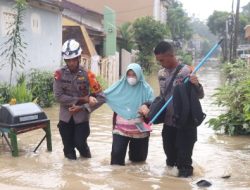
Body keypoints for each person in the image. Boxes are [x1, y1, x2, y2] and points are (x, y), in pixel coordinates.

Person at [143, 41, 204, 177]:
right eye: (158, 60)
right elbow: (162, 96)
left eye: (162, 60)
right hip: (169, 123)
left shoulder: (187, 71)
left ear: (171, 55)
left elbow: (200, 96)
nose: (160, 63)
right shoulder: (161, 74)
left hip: (186, 124)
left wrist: (196, 84)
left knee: (184, 163)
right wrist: (149, 106)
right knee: (170, 161)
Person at [53, 39, 104, 160]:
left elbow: (102, 97)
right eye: (68, 60)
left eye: (73, 59)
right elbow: (58, 96)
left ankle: (86, 168)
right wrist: (83, 99)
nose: (71, 63)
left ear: (79, 57)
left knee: (80, 144)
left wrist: (82, 107)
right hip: (65, 118)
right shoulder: (59, 74)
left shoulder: (88, 75)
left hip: (82, 118)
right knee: (68, 149)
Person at [104, 63, 154, 166]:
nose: (131, 78)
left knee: (138, 164)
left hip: (140, 132)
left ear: (139, 75)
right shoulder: (119, 86)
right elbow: (104, 96)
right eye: (129, 75)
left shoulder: (146, 89)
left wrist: (146, 107)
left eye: (134, 75)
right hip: (120, 130)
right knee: (116, 161)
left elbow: (154, 105)